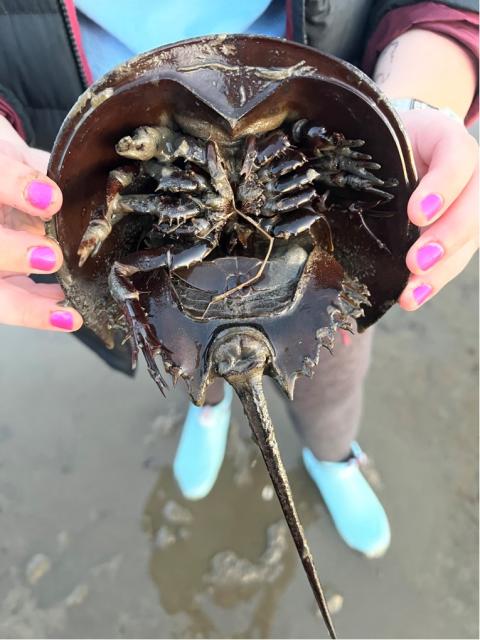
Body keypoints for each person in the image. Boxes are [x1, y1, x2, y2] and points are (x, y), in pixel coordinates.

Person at [0, 0, 478, 558]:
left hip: (306, 243)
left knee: (329, 375)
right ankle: (209, 412)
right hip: (158, 232)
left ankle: (333, 455)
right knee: (192, 354)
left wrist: (415, 99)